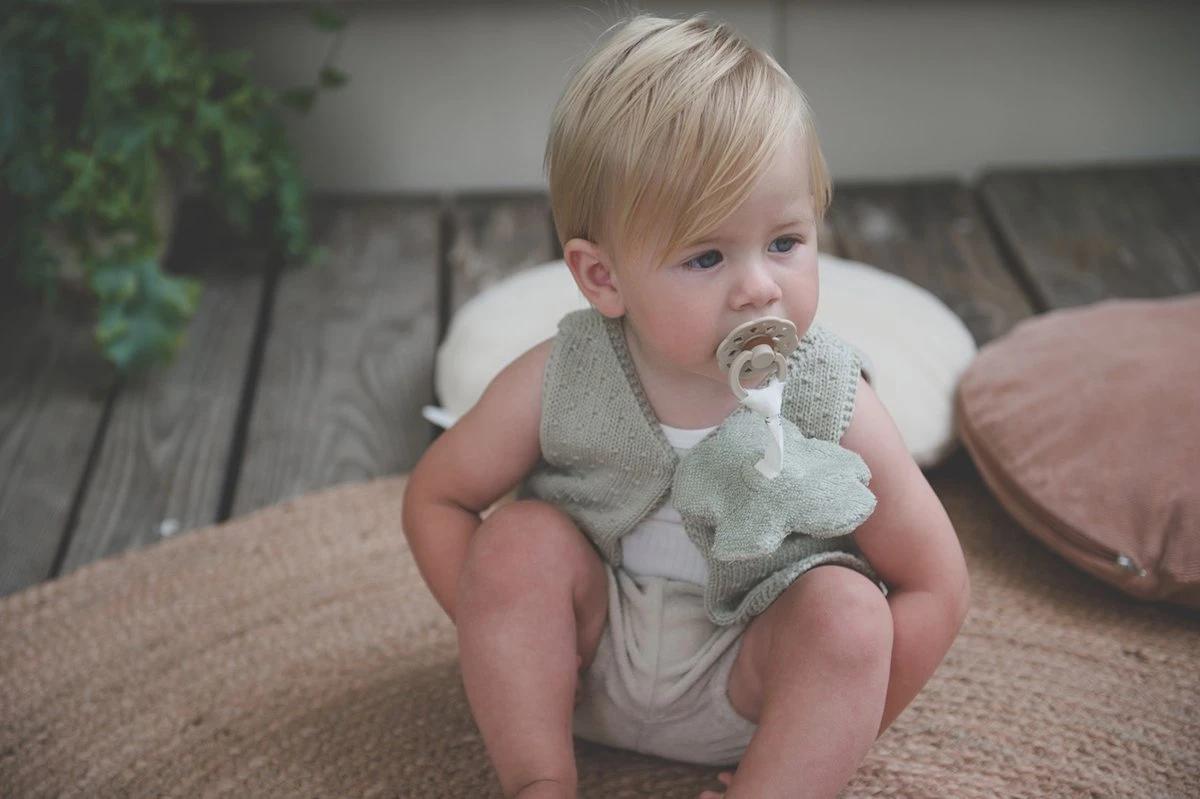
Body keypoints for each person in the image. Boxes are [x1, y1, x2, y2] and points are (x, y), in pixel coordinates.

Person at [403, 13, 969, 799]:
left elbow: (937, 582)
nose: (759, 287)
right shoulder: (565, 374)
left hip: (751, 684)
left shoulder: (826, 394)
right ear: (603, 278)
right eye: (706, 257)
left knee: (849, 611)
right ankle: (538, 778)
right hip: (585, 662)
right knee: (516, 541)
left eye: (785, 242)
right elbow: (437, 497)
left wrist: (834, 730)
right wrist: (504, 640)